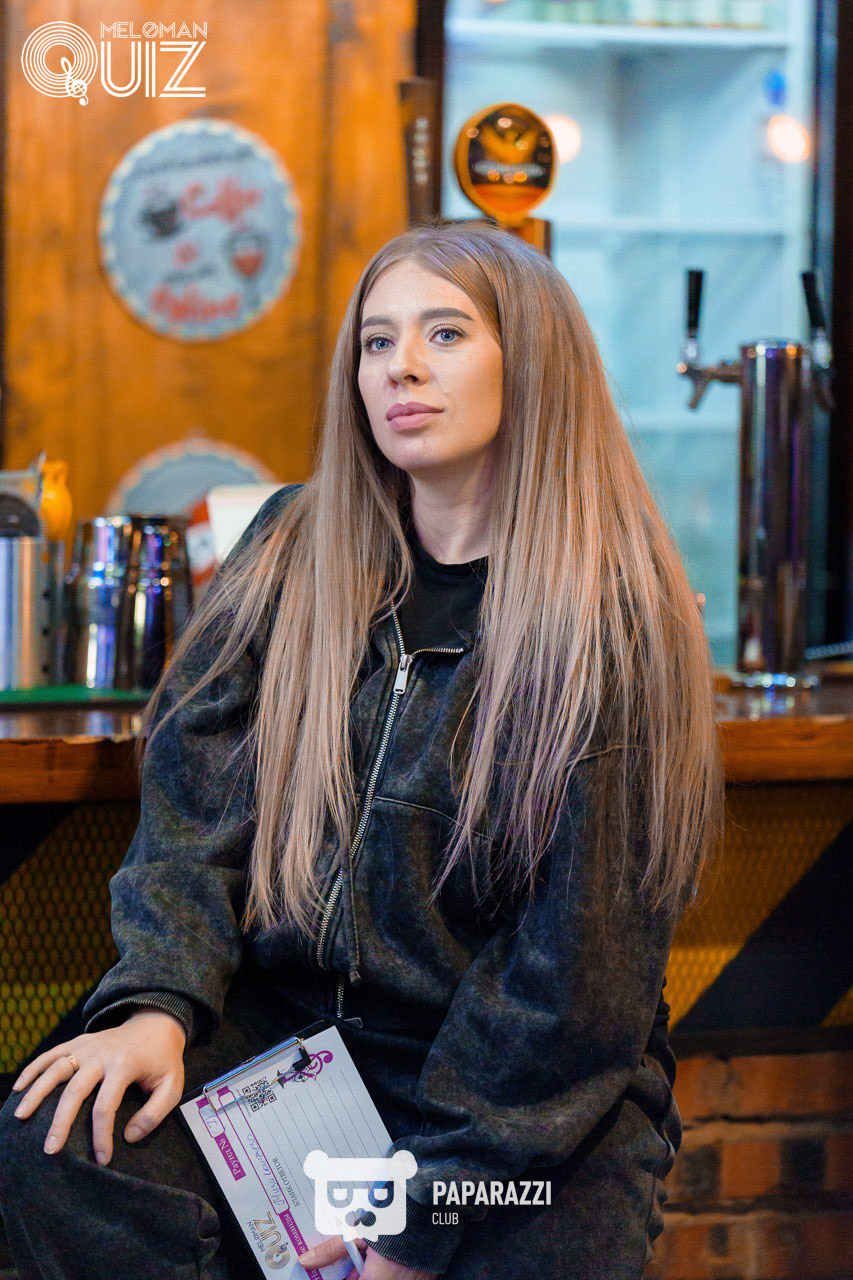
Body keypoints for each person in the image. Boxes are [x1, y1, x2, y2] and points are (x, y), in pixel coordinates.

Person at [0, 219, 723, 1280]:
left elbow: (575, 985)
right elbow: (194, 809)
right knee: (59, 1140)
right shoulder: (291, 548)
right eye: (377, 341)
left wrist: (421, 1209)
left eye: (445, 333)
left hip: (515, 1106)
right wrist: (158, 999)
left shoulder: (613, 618)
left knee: (541, 1243)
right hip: (288, 1042)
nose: (402, 367)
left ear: (534, 364)